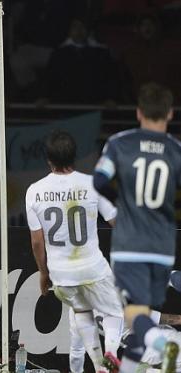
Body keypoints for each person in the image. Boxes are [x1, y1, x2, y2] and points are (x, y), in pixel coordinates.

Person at [93, 82, 181, 373]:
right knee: (138, 322)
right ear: (169, 114)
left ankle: (160, 345)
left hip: (130, 244)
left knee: (134, 315)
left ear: (138, 112)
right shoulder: (175, 149)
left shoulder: (120, 143)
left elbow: (99, 182)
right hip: (161, 246)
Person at [25, 129, 124, 373]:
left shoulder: (34, 191)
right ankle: (110, 353)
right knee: (116, 313)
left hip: (61, 274)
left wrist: (43, 273)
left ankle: (100, 365)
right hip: (93, 267)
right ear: (74, 157)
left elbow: (37, 241)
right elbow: (115, 222)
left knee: (82, 313)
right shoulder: (92, 184)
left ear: (48, 159)